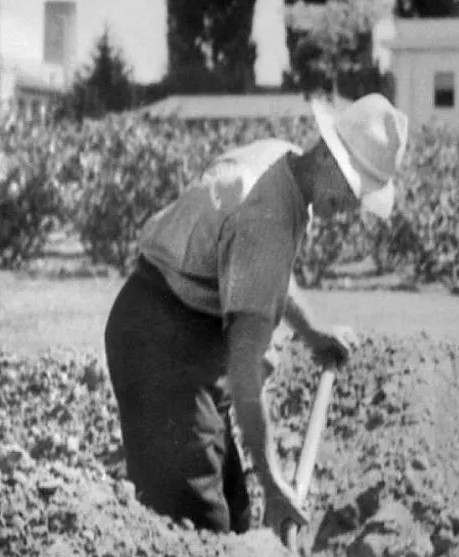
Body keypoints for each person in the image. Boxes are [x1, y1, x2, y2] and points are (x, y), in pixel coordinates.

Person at [103, 93, 409, 535]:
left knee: (233, 516)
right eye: (350, 188)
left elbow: (264, 271)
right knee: (198, 526)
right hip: (159, 343)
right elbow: (246, 371)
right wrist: (275, 483)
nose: (349, 208)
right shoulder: (267, 213)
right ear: (326, 154)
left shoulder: (282, 162)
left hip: (186, 327)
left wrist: (311, 331)